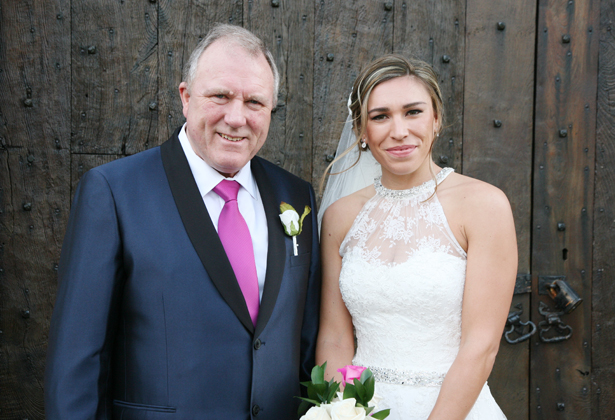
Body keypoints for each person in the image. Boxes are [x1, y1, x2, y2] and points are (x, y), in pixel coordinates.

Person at [44, 24, 321, 419]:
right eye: (220, 96)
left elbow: (306, 344)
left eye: (255, 103)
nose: (237, 117)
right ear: (186, 98)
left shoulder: (295, 196)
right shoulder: (113, 192)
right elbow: (77, 359)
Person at [316, 54, 517, 419]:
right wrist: (342, 412)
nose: (399, 131)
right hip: (367, 407)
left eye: (413, 112)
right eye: (380, 116)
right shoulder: (340, 217)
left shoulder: (484, 206)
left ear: (436, 119)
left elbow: (481, 346)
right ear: (362, 130)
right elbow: (334, 339)